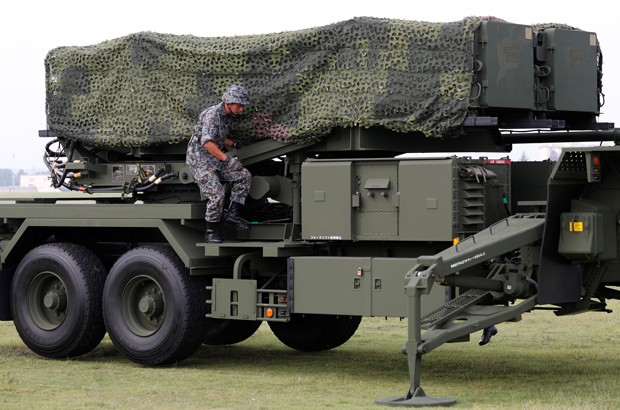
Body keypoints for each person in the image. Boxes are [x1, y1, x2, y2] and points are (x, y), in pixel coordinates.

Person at [186, 85, 252, 243]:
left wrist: (235, 145)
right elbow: (207, 142)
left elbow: (218, 137)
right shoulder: (213, 114)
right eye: (239, 105)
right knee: (217, 194)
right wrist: (228, 159)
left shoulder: (227, 115)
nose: (241, 109)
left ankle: (233, 216)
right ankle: (211, 232)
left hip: (214, 158)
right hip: (200, 159)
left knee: (244, 176)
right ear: (229, 102)